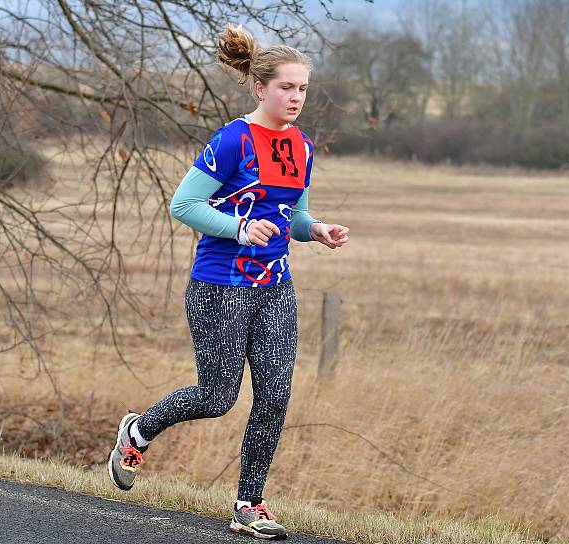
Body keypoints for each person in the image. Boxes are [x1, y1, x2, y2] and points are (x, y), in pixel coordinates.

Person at [107, 24, 349, 540]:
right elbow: (184, 205)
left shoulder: (303, 148)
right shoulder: (233, 139)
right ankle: (140, 429)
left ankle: (249, 504)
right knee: (218, 397)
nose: (296, 97)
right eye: (287, 87)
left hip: (275, 288)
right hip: (220, 285)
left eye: (303, 88)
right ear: (261, 88)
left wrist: (318, 230)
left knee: (276, 395)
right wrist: (239, 227)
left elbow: (293, 216)